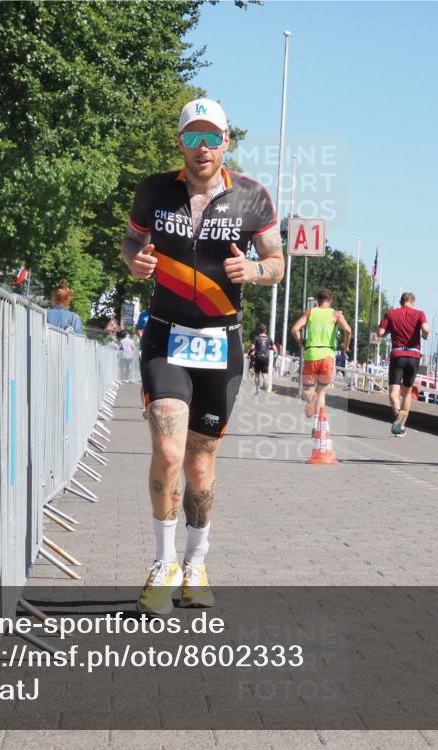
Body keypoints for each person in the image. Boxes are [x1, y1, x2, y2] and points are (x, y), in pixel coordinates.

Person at [122, 97, 284, 615]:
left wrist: (254, 271)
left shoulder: (253, 197)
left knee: (198, 462)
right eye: (192, 137)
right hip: (166, 336)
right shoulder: (155, 190)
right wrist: (135, 262)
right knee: (168, 451)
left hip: (222, 341)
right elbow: (131, 241)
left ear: (225, 142)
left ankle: (196, 563)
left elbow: (276, 261)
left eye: (211, 137)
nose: (202, 148)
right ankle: (163, 563)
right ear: (180, 143)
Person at [290, 289, 352, 420]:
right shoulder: (336, 314)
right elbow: (348, 330)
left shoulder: (310, 312)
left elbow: (295, 329)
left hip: (311, 355)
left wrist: (302, 341)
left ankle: (311, 397)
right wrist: (346, 346)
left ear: (317, 301)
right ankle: (317, 424)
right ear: (331, 301)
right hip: (327, 356)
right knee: (321, 392)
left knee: (307, 391)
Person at [378, 292, 430, 436]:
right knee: (407, 393)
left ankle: (398, 415)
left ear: (401, 302)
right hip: (413, 356)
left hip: (398, 355)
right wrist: (424, 335)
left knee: (393, 393)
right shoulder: (419, 314)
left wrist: (389, 330)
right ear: (413, 302)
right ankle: (401, 425)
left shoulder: (391, 313)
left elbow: (380, 332)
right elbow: (426, 329)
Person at [249, 323, 278, 394]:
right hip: (265, 358)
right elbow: (275, 349)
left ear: (259, 330)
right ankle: (268, 390)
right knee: (265, 375)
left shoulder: (256, 338)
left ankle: (257, 390)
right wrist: (270, 350)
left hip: (258, 358)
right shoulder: (269, 338)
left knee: (257, 374)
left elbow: (252, 348)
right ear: (265, 330)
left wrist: (250, 352)